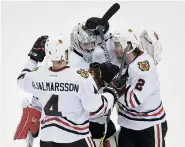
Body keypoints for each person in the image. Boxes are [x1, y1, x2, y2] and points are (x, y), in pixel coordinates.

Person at [15, 35, 127, 147]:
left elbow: (21, 78)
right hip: (75, 139)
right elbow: (95, 107)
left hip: (47, 140)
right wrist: (112, 92)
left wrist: (33, 57)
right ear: (65, 54)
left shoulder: (38, 75)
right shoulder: (80, 77)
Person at [109, 30, 167, 147]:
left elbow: (132, 100)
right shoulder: (127, 60)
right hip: (128, 126)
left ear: (129, 46)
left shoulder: (144, 68)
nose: (115, 48)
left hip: (149, 127)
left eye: (118, 45)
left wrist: (112, 84)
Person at [69, 20, 119, 147]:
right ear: (76, 42)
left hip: (101, 119)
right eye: (86, 44)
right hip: (83, 123)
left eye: (92, 43)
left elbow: (110, 46)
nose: (90, 47)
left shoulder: (88, 54)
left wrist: (105, 32)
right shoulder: (72, 64)